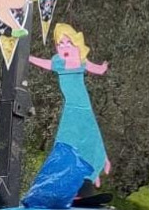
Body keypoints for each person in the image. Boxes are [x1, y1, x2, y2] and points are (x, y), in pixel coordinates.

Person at [29, 23, 111, 184]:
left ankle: (98, 168)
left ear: (75, 43)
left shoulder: (81, 61)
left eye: (68, 42)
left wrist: (104, 67)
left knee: (91, 134)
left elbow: (97, 69)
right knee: (66, 138)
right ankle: (66, 173)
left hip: (83, 104)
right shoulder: (58, 62)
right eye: (60, 44)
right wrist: (28, 58)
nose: (64, 47)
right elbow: (44, 63)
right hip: (71, 106)